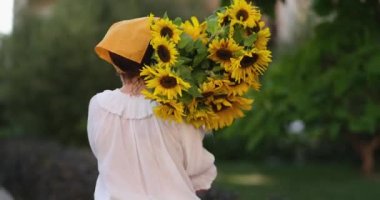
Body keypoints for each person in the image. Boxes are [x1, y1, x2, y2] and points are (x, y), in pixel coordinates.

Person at [87, 17, 217, 200]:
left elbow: (102, 156)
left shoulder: (99, 105)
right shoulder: (175, 106)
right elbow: (198, 169)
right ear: (162, 57)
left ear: (117, 65)